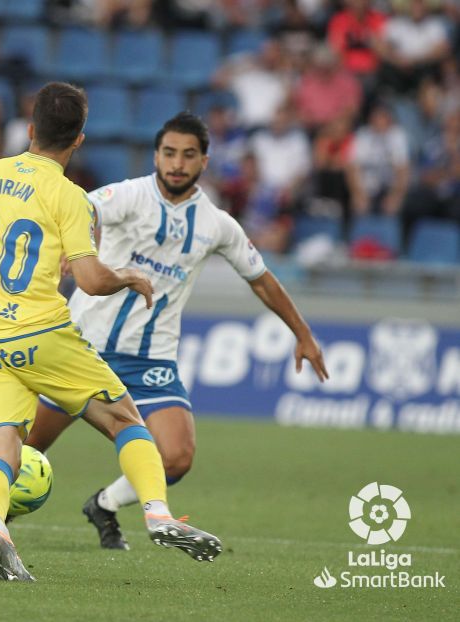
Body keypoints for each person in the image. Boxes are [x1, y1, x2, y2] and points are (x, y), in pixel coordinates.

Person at [0, 82, 223, 582]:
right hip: (41, 334)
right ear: (79, 139)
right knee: (125, 421)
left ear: (31, 129)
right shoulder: (67, 195)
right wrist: (126, 275)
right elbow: (90, 280)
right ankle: (157, 514)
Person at [20, 111, 329, 550]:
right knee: (29, 446)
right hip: (84, 348)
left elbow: (260, 277)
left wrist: (302, 333)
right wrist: (78, 244)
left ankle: (104, 504)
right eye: (169, 153)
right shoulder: (130, 195)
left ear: (204, 161)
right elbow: (84, 205)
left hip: (151, 359)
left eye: (188, 155)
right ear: (156, 156)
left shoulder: (217, 224)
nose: (177, 163)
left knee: (177, 457)